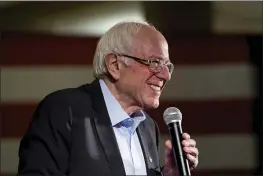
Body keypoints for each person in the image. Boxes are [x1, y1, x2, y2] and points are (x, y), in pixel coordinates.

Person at [18, 21, 199, 176]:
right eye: (155, 63)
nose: (166, 75)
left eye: (167, 65)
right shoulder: (65, 111)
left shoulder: (148, 127)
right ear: (114, 65)